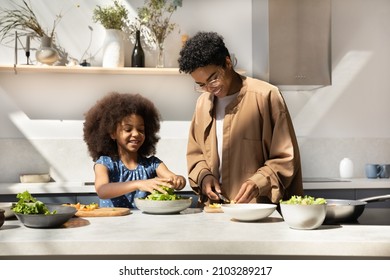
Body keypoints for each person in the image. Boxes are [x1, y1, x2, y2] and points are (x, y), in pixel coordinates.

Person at [178, 31, 303, 206]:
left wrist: (259, 182)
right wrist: (204, 176)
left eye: (212, 79)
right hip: (215, 212)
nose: (208, 89)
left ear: (228, 62)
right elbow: (196, 154)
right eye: (201, 85)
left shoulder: (266, 96)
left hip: (259, 214)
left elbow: (286, 158)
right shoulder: (202, 104)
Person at [83, 92, 186, 208]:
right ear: (112, 133)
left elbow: (172, 177)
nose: (136, 134)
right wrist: (138, 184)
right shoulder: (105, 163)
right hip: (112, 224)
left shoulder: (152, 164)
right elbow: (102, 190)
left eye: (141, 130)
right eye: (128, 129)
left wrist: (179, 180)